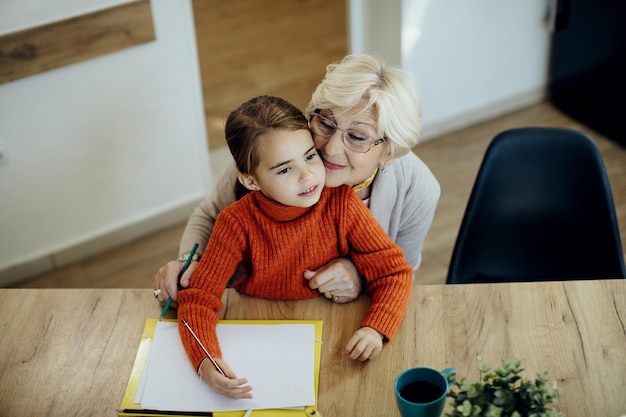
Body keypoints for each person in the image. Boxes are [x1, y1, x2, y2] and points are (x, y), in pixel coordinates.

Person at [153, 53, 440, 306]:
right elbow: (209, 214)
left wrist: (360, 277)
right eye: (326, 123)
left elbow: (401, 272)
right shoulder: (271, 156)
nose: (330, 148)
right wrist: (188, 263)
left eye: (357, 136)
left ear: (390, 152)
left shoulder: (418, 190)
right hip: (253, 302)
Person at [178, 95, 413, 398]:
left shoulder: (342, 204)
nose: (307, 175)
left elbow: (394, 273)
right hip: (255, 327)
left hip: (332, 333)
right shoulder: (235, 222)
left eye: (310, 156)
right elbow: (197, 298)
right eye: (285, 169)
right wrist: (205, 362)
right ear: (251, 181)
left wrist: (375, 329)